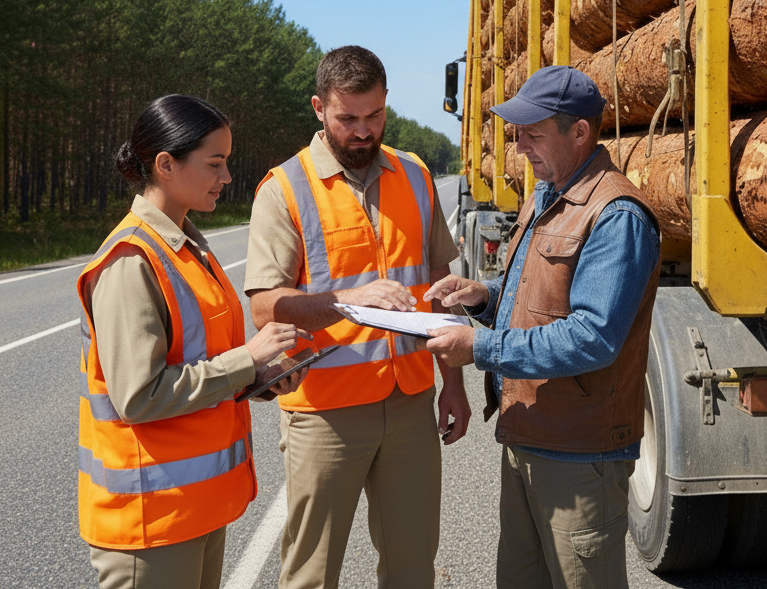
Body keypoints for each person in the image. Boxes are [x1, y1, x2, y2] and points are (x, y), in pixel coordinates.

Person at [423, 65, 662, 589]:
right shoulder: (546, 193)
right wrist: (484, 299)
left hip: (580, 454)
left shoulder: (616, 214)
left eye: (533, 134)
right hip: (530, 437)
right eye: (517, 134)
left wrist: (480, 346)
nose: (520, 147)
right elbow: (542, 300)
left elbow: (593, 337)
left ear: (579, 132)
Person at [244, 45, 471, 589]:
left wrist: (454, 386)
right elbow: (262, 307)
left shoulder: (414, 174)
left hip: (411, 403)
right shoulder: (284, 188)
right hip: (326, 414)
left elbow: (439, 288)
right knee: (311, 575)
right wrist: (347, 303)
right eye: (348, 118)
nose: (363, 131)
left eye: (375, 116)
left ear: (387, 105)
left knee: (412, 568)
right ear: (319, 108)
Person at [78, 94, 309, 589]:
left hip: (192, 510)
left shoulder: (187, 248)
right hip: (150, 524)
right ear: (165, 164)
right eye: (215, 163)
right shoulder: (131, 261)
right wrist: (248, 358)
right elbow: (139, 396)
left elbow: (202, 363)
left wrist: (261, 375)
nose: (226, 177)